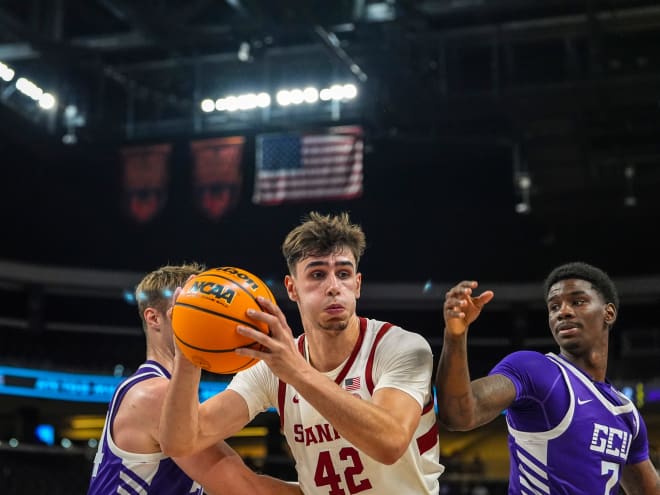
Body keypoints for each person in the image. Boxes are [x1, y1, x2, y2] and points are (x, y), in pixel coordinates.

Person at [161, 211, 444, 494]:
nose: (334, 287)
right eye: (317, 274)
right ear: (292, 288)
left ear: (357, 285)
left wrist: (296, 371)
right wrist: (189, 351)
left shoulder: (401, 346)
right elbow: (182, 442)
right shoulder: (271, 365)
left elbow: (390, 442)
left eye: (343, 274)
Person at [435, 261, 660, 494]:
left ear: (608, 313)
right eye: (554, 307)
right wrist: (455, 336)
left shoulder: (626, 413)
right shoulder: (534, 370)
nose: (563, 311)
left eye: (578, 301)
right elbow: (458, 415)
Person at [87, 263, 301, 495]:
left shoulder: (158, 389)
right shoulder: (155, 394)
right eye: (188, 309)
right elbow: (245, 489)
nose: (200, 322)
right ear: (154, 318)